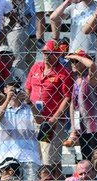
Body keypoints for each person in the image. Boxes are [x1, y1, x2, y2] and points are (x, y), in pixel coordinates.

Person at [25, 40, 73, 171]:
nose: (46, 56)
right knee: (36, 156)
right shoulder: (36, 67)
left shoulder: (63, 73)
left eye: (50, 53)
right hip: (34, 118)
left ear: (57, 55)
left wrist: (55, 118)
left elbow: (67, 97)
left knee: (50, 158)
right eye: (45, 53)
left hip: (51, 122)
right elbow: (27, 89)